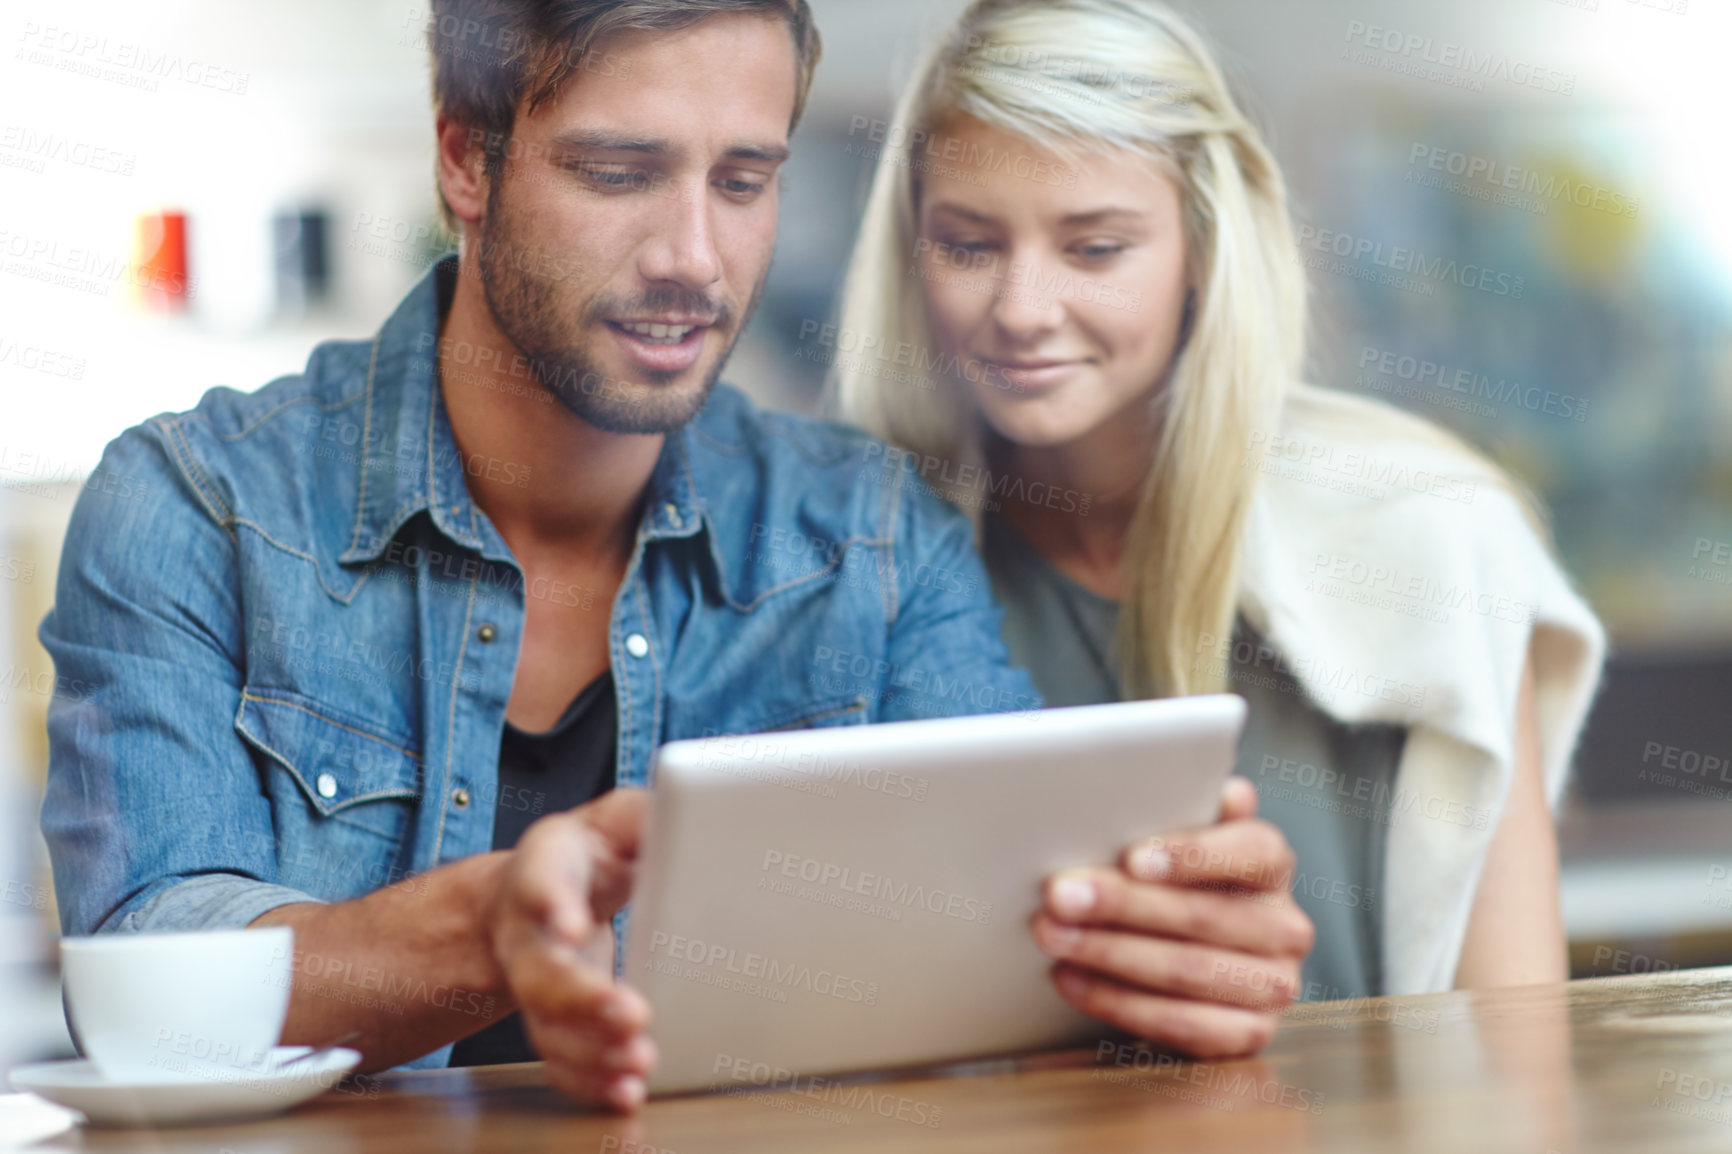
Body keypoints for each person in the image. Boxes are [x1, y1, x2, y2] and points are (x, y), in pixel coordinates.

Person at [39, 0, 1311, 1113]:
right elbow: (156, 982)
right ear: (463, 158)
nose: (693, 259)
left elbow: (1012, 960)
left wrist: (1154, 960)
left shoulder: (867, 536)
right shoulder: (195, 507)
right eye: (619, 171)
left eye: (743, 179)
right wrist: (491, 928)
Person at [835, 0, 1606, 1000]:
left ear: (1204, 245)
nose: (1021, 309)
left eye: (1095, 247)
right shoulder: (844, 556)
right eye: (969, 244)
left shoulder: (1429, 537)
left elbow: (1512, 1041)